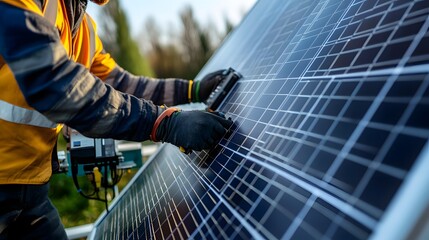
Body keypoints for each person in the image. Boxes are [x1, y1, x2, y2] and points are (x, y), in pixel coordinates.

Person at [0, 0, 233, 238]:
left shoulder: (83, 28)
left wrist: (193, 90)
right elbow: (52, 82)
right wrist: (162, 123)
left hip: (31, 191)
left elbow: (124, 85)